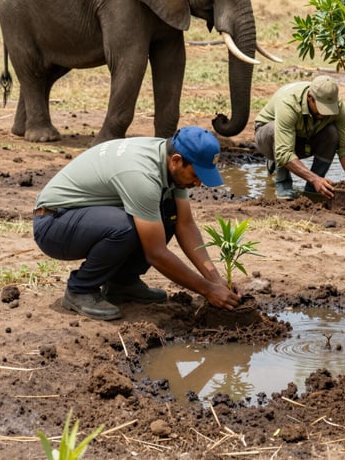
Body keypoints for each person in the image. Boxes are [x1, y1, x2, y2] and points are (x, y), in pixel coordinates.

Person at [33, 126, 241, 321]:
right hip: (54, 224)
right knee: (127, 227)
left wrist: (215, 279)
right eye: (196, 175)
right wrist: (207, 290)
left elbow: (185, 224)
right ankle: (80, 289)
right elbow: (156, 253)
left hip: (87, 217)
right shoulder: (143, 174)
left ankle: (123, 283)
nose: (198, 183)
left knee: (169, 212)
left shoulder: (170, 162)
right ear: (176, 161)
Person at [254, 75, 345, 200]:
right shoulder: (289, 103)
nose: (324, 114)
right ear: (310, 98)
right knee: (277, 134)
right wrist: (314, 179)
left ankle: (312, 189)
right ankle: (283, 184)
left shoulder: (338, 106)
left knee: (332, 133)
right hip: (267, 138)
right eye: (322, 108)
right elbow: (284, 152)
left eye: (329, 109)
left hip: (303, 136)